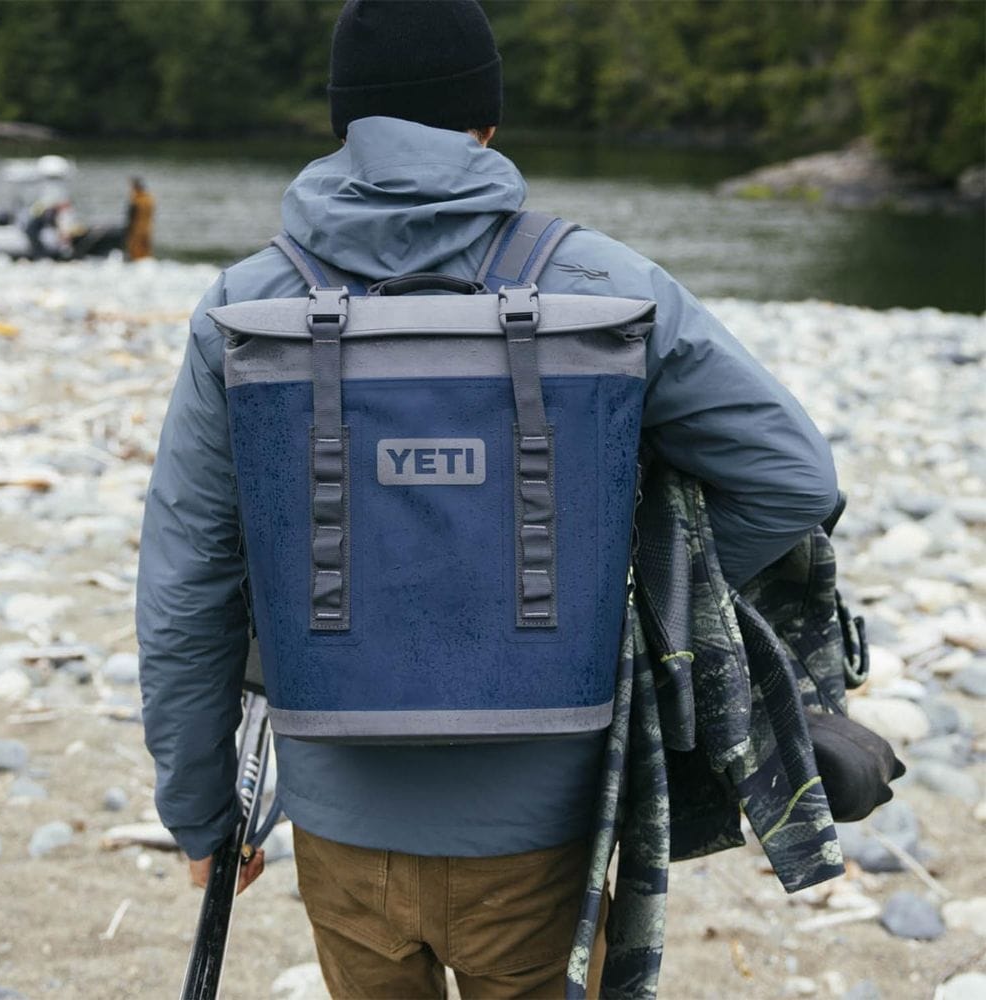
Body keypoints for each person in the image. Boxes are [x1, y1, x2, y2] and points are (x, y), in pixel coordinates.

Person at [137, 2, 838, 996]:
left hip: (342, 817)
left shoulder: (244, 306)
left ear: (344, 124)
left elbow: (188, 579)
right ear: (487, 124)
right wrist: (620, 592)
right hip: (545, 817)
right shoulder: (605, 283)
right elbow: (793, 477)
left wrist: (199, 810)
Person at [125, 177, 155, 260]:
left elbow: (131, 216)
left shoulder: (136, 200)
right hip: (148, 229)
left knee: (135, 252)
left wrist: (128, 230)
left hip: (136, 230)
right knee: (146, 252)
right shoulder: (150, 199)